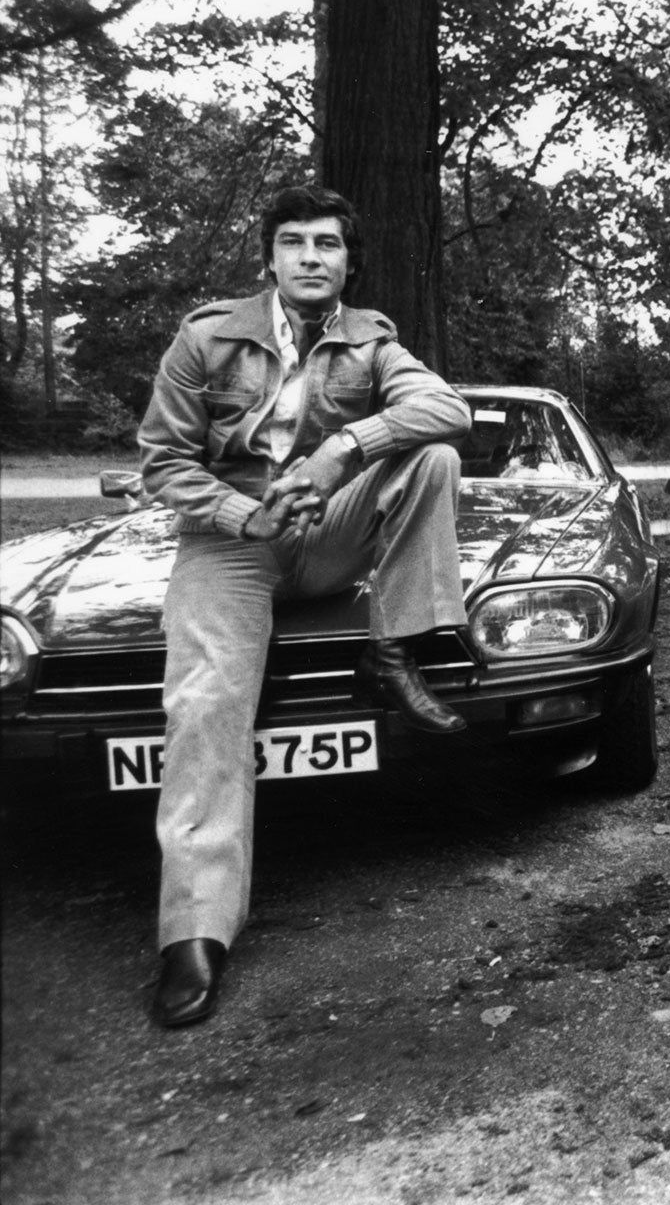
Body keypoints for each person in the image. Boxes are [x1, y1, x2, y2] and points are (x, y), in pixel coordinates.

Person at [137, 185, 473, 1026]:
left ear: (348, 261)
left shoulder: (372, 336)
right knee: (207, 703)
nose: (312, 257)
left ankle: (392, 646)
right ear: (271, 257)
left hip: (326, 528)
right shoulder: (207, 335)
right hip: (230, 539)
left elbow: (448, 409)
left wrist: (341, 453)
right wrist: (241, 512)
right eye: (295, 242)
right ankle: (194, 933)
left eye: (328, 243)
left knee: (431, 459)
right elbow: (163, 462)